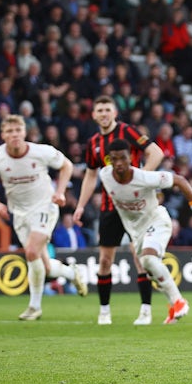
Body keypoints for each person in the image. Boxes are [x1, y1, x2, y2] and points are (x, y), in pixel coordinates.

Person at [0, 114, 87, 321]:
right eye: (9, 131)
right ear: (3, 135)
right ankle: (71, 273)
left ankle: (34, 307)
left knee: (32, 252)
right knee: (43, 264)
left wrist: (60, 191)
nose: (14, 135)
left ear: (24, 132)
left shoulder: (41, 151)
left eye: (18, 130)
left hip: (45, 207)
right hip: (19, 213)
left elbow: (67, 165)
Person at [72, 95, 165, 325]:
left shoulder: (128, 131)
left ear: (114, 112)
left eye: (107, 110)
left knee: (139, 256)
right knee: (105, 260)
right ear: (94, 115)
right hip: (109, 207)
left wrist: (143, 179)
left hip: (134, 205)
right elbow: (91, 175)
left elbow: (156, 153)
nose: (103, 114)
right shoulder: (93, 142)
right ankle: (104, 311)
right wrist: (81, 205)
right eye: (99, 110)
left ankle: (145, 310)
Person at [100, 139, 192, 324]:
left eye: (123, 158)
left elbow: (180, 180)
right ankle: (173, 308)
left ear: (131, 159)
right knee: (150, 268)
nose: (119, 163)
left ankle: (178, 301)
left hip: (157, 221)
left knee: (149, 260)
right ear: (110, 160)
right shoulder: (105, 175)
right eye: (114, 159)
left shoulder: (144, 177)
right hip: (136, 231)